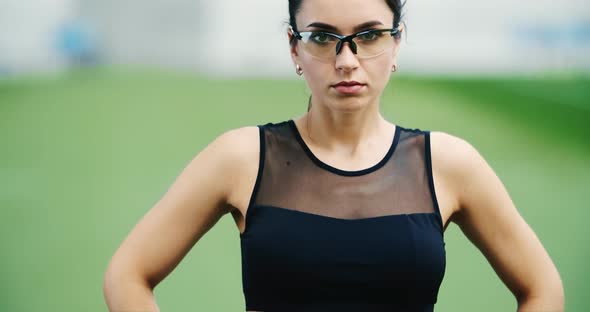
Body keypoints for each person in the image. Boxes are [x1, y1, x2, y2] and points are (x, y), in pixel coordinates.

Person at [103, 0, 564, 311]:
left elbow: (543, 289)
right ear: (293, 47)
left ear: (397, 42)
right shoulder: (242, 157)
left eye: (369, 36)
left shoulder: (447, 163)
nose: (347, 60)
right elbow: (128, 275)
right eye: (323, 38)